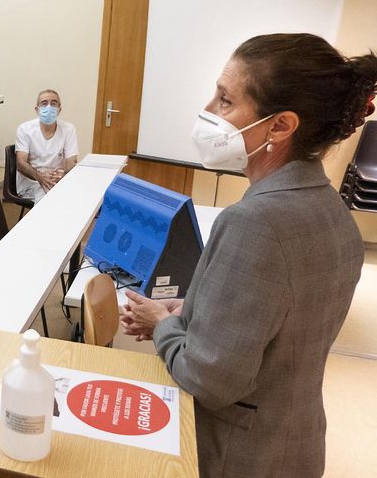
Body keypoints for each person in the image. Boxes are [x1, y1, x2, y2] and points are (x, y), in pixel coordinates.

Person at [119, 33, 375, 477]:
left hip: (237, 453)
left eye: (224, 100)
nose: (208, 111)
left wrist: (164, 324)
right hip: (293, 440)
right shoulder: (332, 212)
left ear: (280, 126)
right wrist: (195, 309)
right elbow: (280, 325)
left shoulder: (254, 223)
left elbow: (208, 377)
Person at [15, 89, 78, 204]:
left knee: (78, 195)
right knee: (50, 199)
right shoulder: (25, 129)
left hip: (58, 179)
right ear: (37, 109)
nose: (49, 107)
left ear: (59, 110)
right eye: (44, 103)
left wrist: (62, 175)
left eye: (54, 103)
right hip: (33, 181)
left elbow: (71, 163)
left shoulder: (68, 129)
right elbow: (20, 164)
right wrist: (40, 176)